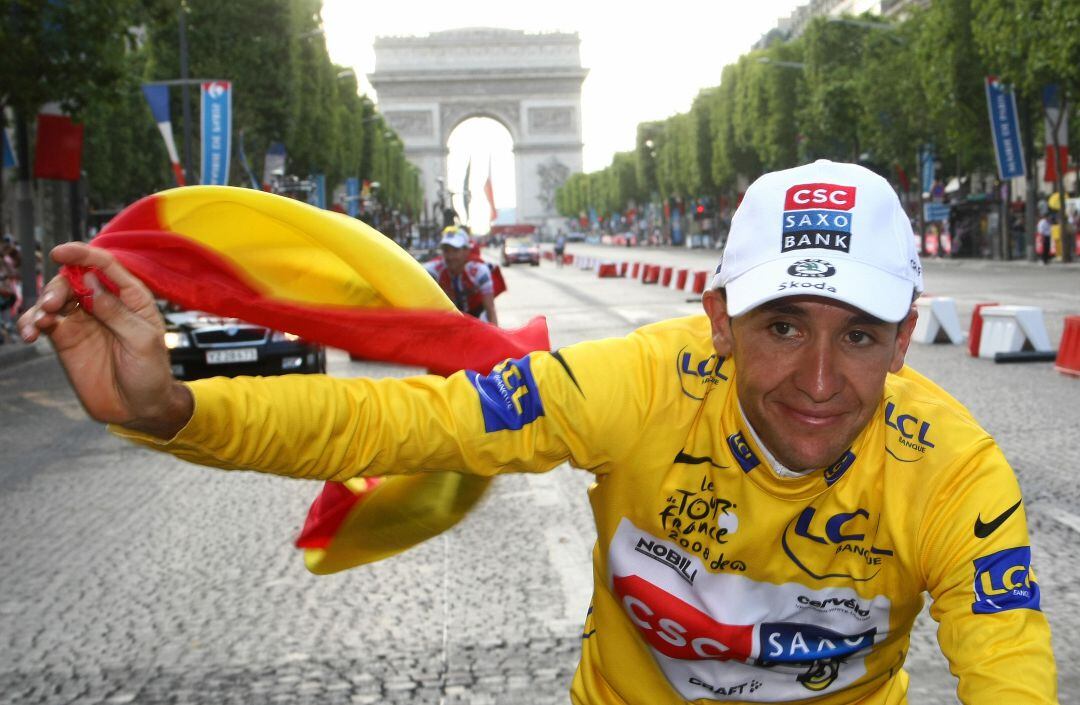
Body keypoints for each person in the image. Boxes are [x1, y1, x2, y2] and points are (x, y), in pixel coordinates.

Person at [18, 160, 1056, 703]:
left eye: (862, 335)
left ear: (908, 337)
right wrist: (169, 408)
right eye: (782, 326)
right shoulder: (636, 384)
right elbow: (404, 419)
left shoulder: (956, 468)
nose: (820, 381)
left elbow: (1009, 666)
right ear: (718, 321)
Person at [423, 225, 499, 325]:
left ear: (466, 251)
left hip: (477, 320)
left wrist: (495, 338)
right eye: (446, 250)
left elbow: (490, 310)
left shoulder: (479, 271)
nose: (450, 256)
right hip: (449, 321)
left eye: (455, 250)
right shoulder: (433, 270)